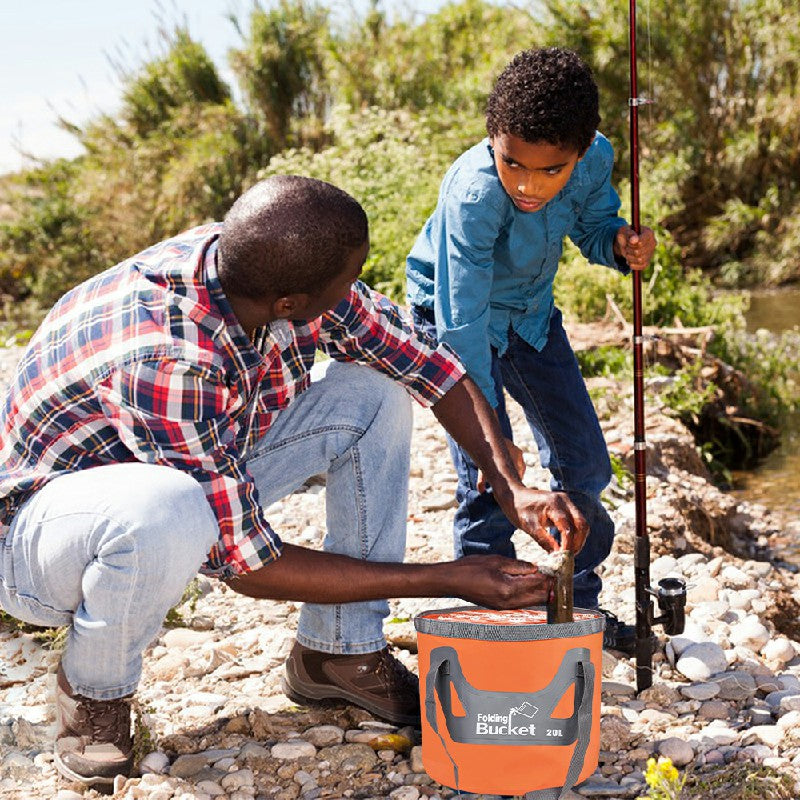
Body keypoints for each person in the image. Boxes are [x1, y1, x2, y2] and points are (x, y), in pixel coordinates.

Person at [0, 175, 587, 787]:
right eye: (347, 278)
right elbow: (247, 566)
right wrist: (447, 579)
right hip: (44, 537)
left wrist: (508, 484)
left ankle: (338, 651)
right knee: (165, 508)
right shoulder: (167, 354)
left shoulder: (260, 266)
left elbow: (428, 366)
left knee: (372, 397)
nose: (355, 287)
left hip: (192, 460)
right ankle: (94, 693)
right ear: (290, 301)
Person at [406, 47, 658, 653]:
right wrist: (492, 435)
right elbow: (461, 323)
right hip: (454, 319)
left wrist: (620, 245)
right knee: (488, 478)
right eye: (512, 163)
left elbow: (595, 225)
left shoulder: (596, 160)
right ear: (493, 137)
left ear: (581, 153)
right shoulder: (473, 193)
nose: (528, 184)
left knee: (587, 465)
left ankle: (576, 607)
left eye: (552, 172)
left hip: (532, 316)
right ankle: (484, 619)